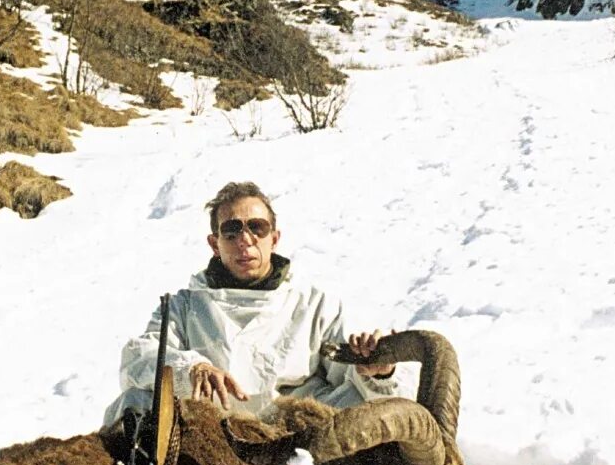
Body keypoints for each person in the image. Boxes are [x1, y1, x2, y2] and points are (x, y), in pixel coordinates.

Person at [103, 180, 401, 426]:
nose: (245, 240)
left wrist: (377, 370)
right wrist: (191, 369)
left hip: (292, 438)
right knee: (135, 403)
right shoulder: (184, 306)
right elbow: (139, 359)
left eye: (256, 227)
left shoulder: (315, 306)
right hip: (208, 435)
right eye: (231, 231)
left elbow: (347, 377)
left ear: (274, 238)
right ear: (214, 244)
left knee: (374, 412)